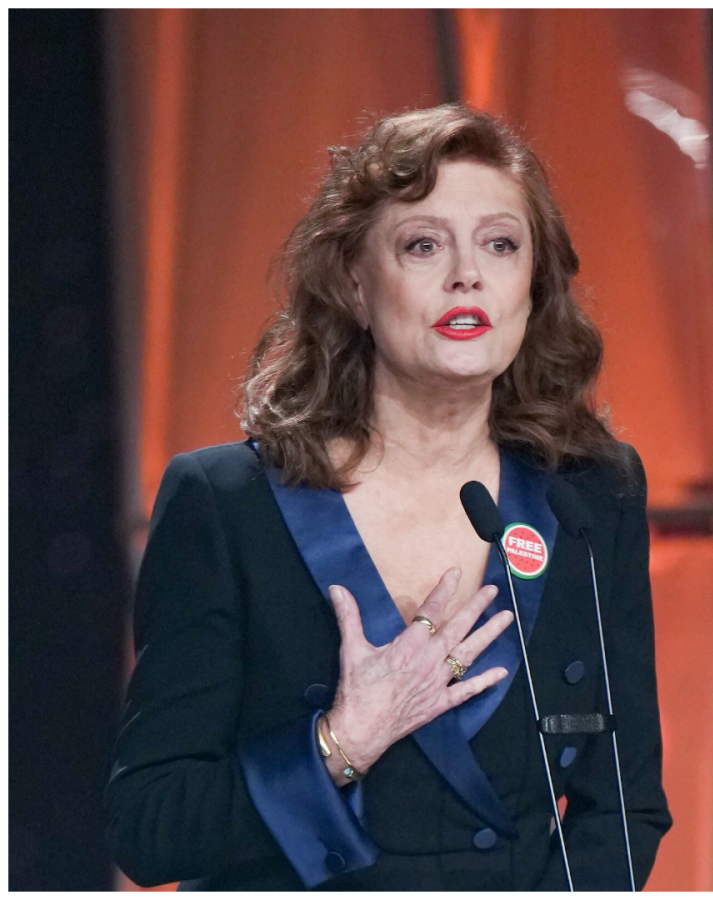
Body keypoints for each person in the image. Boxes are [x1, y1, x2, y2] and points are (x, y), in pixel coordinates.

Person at [105, 105, 671, 890]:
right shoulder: (227, 504)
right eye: (423, 244)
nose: (466, 274)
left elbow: (625, 804)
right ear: (355, 287)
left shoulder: (592, 493)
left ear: (532, 287)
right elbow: (149, 826)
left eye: (501, 245)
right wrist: (340, 744)